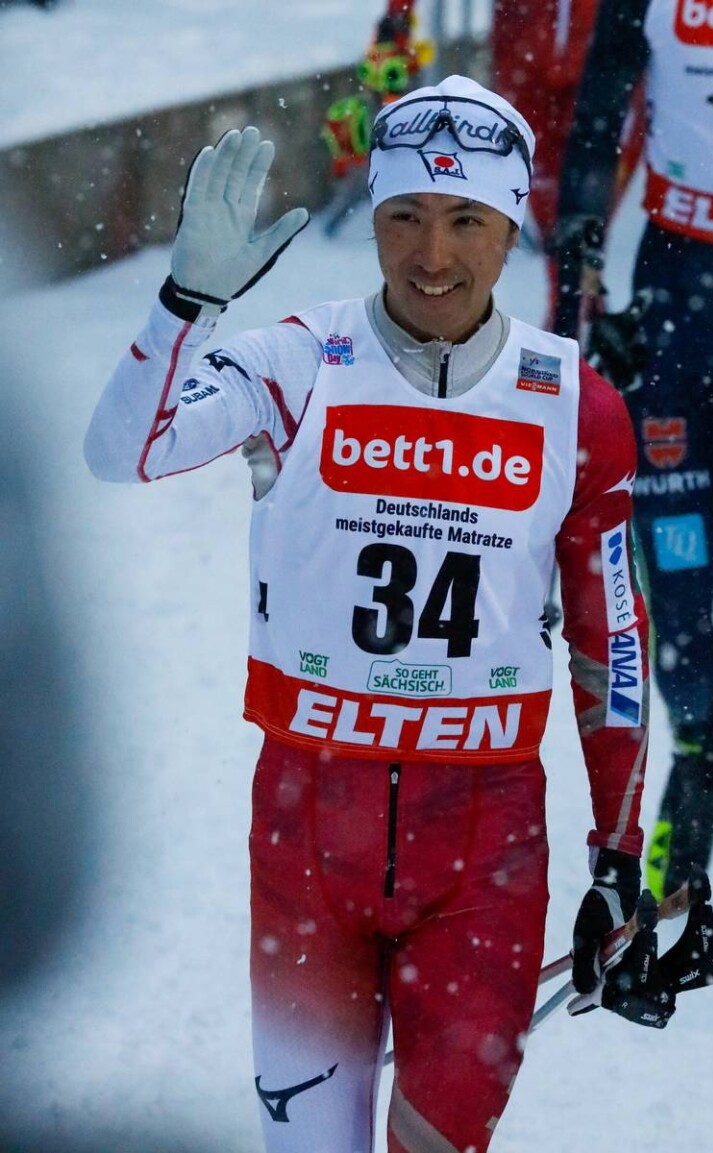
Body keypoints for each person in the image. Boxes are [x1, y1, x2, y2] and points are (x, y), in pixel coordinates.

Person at [85, 75, 651, 1153]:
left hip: (483, 855)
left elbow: (610, 644)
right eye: (405, 216)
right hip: (309, 838)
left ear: (512, 226)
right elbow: (124, 450)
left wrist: (619, 855)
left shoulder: (577, 407)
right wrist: (186, 304)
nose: (432, 255)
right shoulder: (302, 360)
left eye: (466, 220)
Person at [555, 0, 713, 939]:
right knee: (673, 587)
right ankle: (701, 745)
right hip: (682, 302)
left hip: (705, 292)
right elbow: (601, 105)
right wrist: (581, 247)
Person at [355, 0, 645, 324]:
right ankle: (570, 316)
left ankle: (575, 315)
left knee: (586, 218)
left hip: (610, 54)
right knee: (550, 212)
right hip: (524, 50)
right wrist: (399, 14)